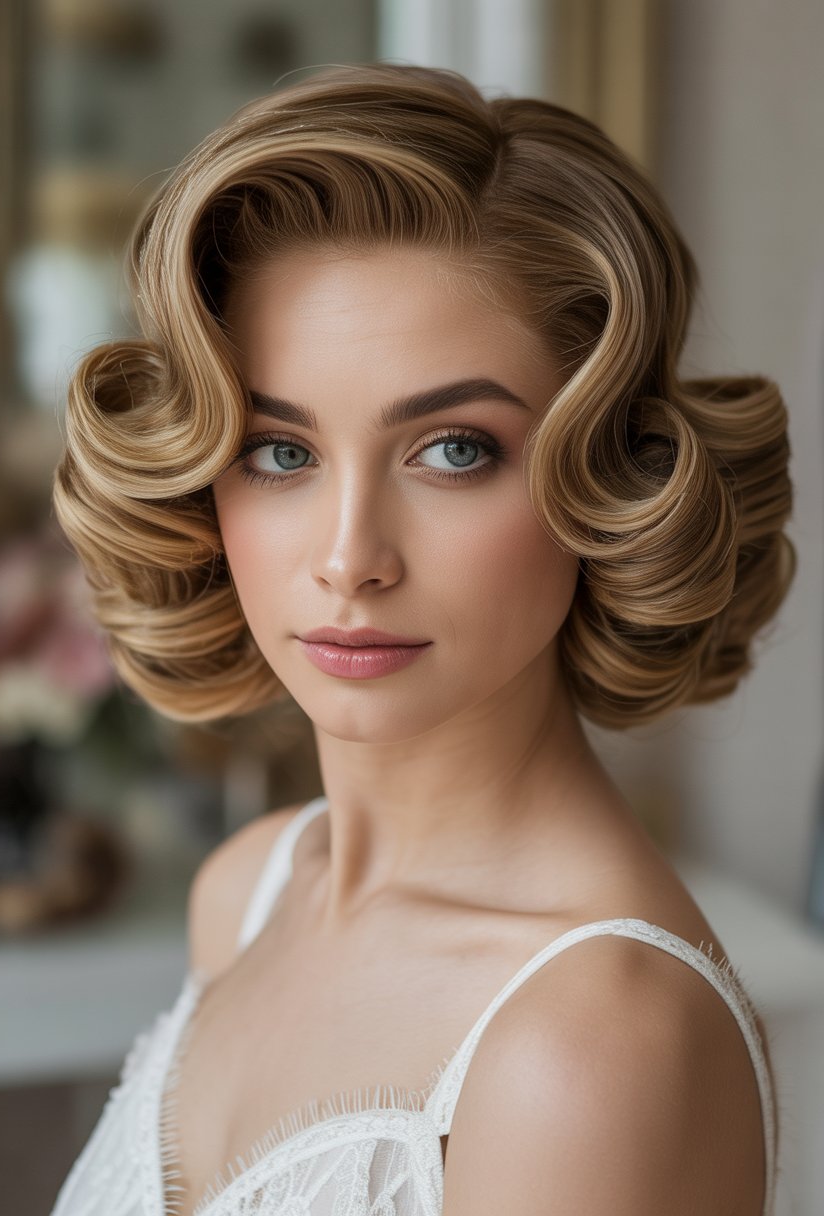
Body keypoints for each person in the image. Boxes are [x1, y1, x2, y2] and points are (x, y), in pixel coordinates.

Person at [49, 62, 794, 1216]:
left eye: (453, 448)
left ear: (604, 476)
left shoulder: (589, 1046)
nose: (350, 557)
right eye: (280, 450)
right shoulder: (245, 894)